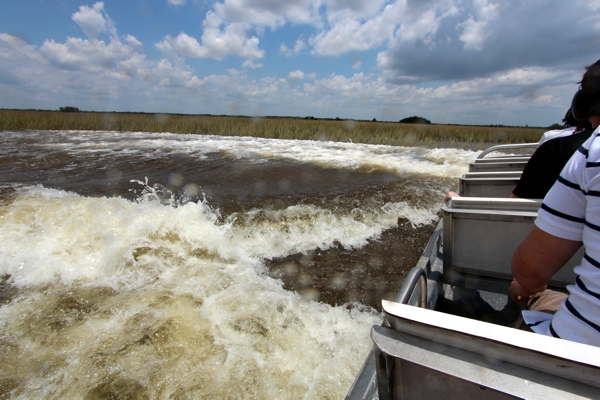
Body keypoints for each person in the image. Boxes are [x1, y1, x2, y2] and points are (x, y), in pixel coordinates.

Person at [510, 59, 600, 346]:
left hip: (579, 353)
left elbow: (530, 271)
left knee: (529, 290)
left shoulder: (588, 153)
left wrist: (529, 285)